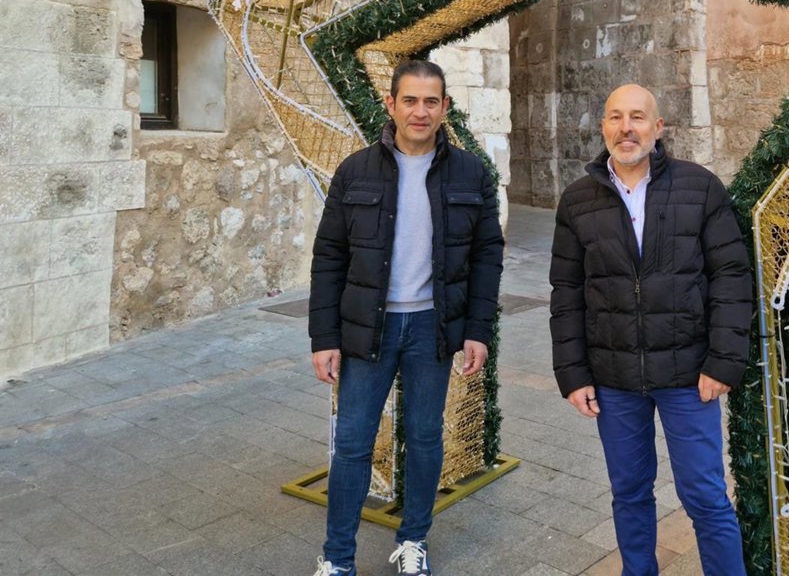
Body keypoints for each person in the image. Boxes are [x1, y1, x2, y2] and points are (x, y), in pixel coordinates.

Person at [308, 59, 503, 576]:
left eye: (431, 101)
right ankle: (338, 557)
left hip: (431, 329)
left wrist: (478, 330)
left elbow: (487, 256)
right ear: (391, 104)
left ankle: (414, 538)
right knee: (353, 444)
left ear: (444, 108)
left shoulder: (470, 173)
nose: (421, 111)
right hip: (367, 328)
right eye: (410, 100)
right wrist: (324, 337)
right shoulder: (355, 171)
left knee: (423, 438)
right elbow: (329, 256)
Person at [549, 83, 753, 576]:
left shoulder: (699, 188)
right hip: (614, 377)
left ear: (658, 127)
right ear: (604, 127)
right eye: (616, 117)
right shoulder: (577, 201)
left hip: (689, 375)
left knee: (705, 496)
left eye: (638, 117)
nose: (627, 128)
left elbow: (731, 275)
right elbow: (567, 291)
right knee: (630, 492)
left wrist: (723, 361)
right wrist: (573, 374)